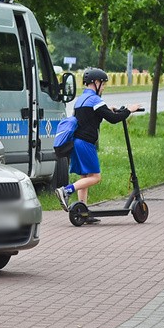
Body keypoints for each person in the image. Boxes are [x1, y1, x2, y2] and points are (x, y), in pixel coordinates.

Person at [55, 68, 141, 220]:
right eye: (103, 84)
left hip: (76, 142)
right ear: (96, 83)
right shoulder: (95, 100)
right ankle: (66, 190)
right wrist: (129, 110)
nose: (104, 87)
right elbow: (113, 119)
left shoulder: (81, 100)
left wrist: (109, 109)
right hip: (86, 144)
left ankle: (83, 212)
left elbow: (94, 114)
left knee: (85, 177)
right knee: (95, 177)